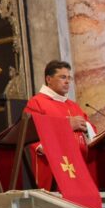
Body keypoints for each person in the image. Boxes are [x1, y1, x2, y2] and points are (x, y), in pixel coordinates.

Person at [24, 60, 96, 189]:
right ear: (49, 79)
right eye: (63, 77)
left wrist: (87, 128)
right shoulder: (36, 103)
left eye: (69, 78)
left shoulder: (73, 106)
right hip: (56, 168)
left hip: (81, 166)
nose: (67, 81)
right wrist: (67, 126)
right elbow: (31, 135)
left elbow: (92, 132)